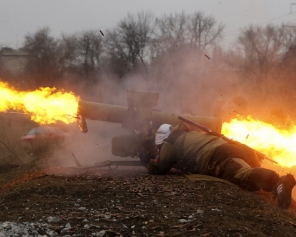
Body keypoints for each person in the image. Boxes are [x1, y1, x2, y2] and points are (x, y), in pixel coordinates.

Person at [140, 123, 296, 209]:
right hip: (230, 148)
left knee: (243, 174)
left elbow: (159, 168)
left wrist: (145, 159)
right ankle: (277, 187)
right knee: (247, 176)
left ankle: (279, 182)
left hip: (218, 156)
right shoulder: (191, 133)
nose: (160, 149)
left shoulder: (170, 142)